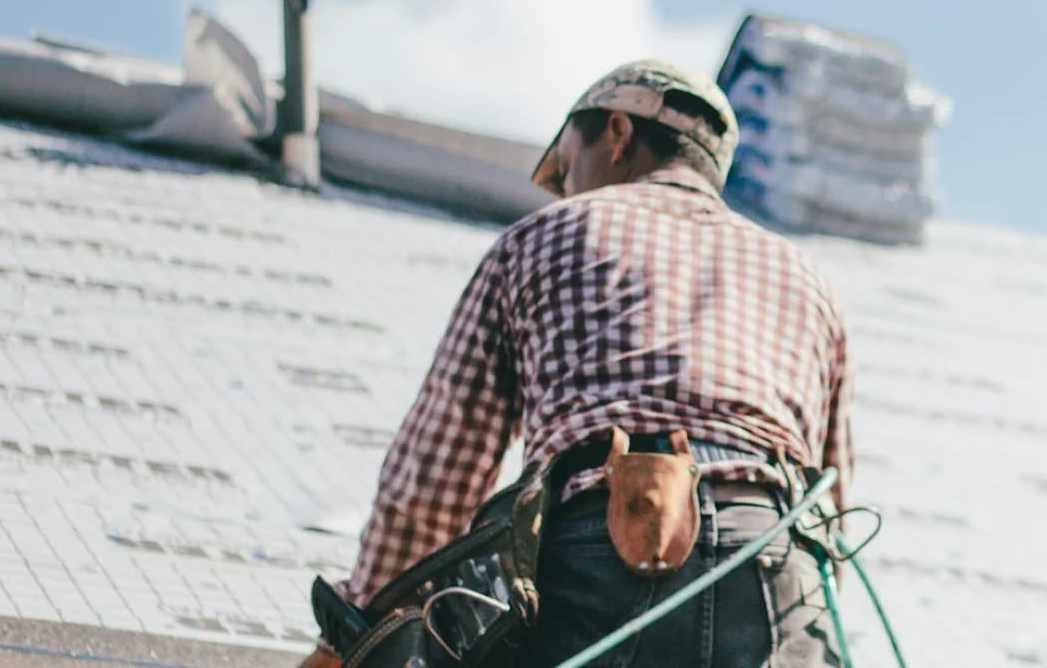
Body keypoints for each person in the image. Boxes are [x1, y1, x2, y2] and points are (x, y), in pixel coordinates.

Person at [301, 60, 852, 668]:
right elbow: (836, 495)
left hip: (602, 545)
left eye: (565, 166)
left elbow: (438, 475)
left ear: (617, 133)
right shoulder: (805, 279)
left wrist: (355, 634)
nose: (567, 188)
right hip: (777, 561)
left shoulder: (545, 235)